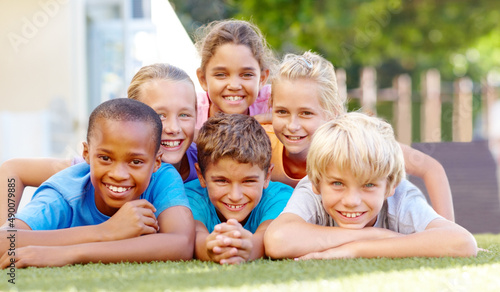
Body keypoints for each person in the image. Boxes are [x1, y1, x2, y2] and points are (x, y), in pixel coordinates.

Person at [0, 98, 195, 269]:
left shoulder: (162, 178)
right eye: (105, 158)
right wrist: (105, 231)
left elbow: (182, 243)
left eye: (136, 162)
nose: (118, 174)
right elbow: (3, 240)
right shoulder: (65, 194)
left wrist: (69, 253)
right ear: (86, 153)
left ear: (156, 163)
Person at [265, 51, 455, 221]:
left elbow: (431, 168)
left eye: (306, 113)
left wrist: (448, 228)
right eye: (282, 112)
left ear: (333, 113)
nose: (292, 125)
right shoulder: (264, 143)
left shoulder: (358, 142)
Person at [0, 63, 198, 223]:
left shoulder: (207, 160)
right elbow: (12, 169)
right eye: (159, 115)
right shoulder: (88, 171)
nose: (173, 127)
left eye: (184, 114)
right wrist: (7, 230)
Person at [264, 112, 477, 259]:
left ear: (389, 186)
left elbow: (462, 242)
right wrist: (375, 234)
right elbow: (277, 240)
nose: (351, 201)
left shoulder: (401, 197)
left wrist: (357, 249)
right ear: (317, 184)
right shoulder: (312, 186)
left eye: (368, 185)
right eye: (338, 183)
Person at [185, 113, 293, 265]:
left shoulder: (280, 197)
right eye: (222, 181)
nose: (235, 196)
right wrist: (213, 249)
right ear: (201, 175)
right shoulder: (190, 196)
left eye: (248, 181)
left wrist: (247, 249)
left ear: (267, 175)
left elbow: (268, 236)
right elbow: (194, 237)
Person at [194, 19, 276, 131]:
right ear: (203, 79)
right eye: (221, 75)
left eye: (246, 74)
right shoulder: (190, 112)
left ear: (262, 79)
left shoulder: (272, 103)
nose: (234, 86)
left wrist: (259, 119)